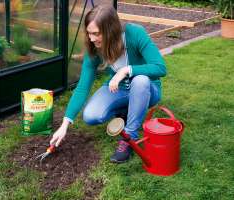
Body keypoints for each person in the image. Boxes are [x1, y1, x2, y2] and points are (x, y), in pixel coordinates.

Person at [50, 4, 166, 163]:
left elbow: (160, 68)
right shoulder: (95, 47)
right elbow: (83, 87)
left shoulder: (134, 33)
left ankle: (129, 137)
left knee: (140, 81)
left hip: (147, 89)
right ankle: (127, 111)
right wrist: (64, 124)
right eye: (89, 33)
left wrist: (126, 70)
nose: (91, 38)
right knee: (91, 116)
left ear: (110, 30)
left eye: (96, 33)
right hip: (119, 88)